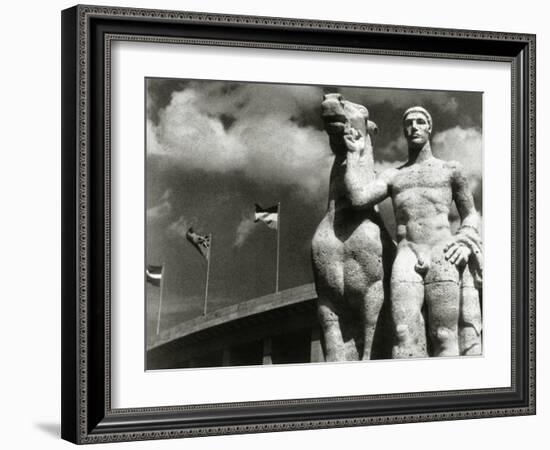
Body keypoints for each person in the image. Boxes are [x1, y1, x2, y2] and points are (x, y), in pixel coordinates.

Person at [345, 106, 482, 357]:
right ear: (404, 131)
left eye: (421, 122)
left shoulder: (450, 169)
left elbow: (471, 213)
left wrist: (465, 240)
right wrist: (354, 155)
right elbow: (358, 198)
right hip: (407, 252)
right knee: (402, 332)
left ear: (430, 128)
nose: (415, 127)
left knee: (444, 335)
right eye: (409, 123)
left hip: (442, 251)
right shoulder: (394, 176)